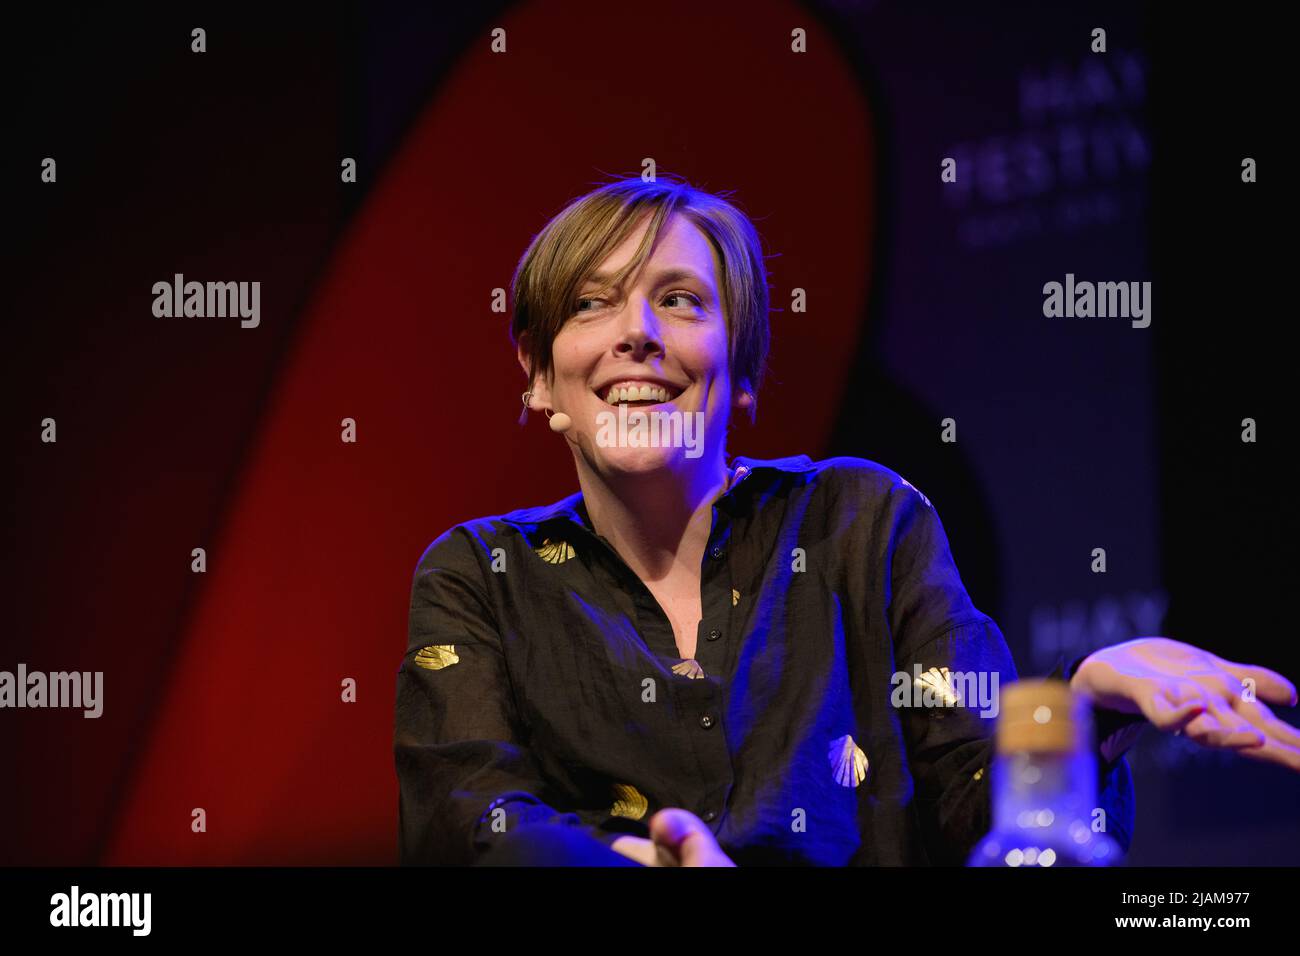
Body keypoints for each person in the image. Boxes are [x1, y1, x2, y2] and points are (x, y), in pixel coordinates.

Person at [394, 175, 1300, 867]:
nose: (639, 332)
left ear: (740, 369)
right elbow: (467, 820)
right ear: (539, 374)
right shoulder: (478, 573)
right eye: (592, 303)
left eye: (679, 299)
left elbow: (973, 799)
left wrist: (1083, 704)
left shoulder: (862, 521)